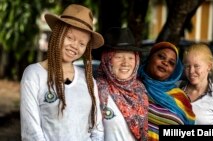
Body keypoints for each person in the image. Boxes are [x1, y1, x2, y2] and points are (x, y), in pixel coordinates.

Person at [20, 4, 104, 141]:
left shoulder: (88, 80)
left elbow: (97, 129)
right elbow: (31, 133)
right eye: (70, 38)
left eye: (82, 44)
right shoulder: (34, 74)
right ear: (57, 34)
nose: (75, 46)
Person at [96, 27, 148, 141]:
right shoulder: (96, 90)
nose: (125, 63)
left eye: (130, 57)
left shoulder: (141, 90)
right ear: (107, 59)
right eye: (118, 57)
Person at [138, 42, 195, 141]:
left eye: (171, 63)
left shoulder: (181, 97)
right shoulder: (132, 87)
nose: (165, 63)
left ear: (174, 71)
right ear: (150, 57)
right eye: (161, 57)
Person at [179, 43, 213, 125]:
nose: (191, 71)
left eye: (196, 66)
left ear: (209, 66)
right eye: (187, 66)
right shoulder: (175, 88)